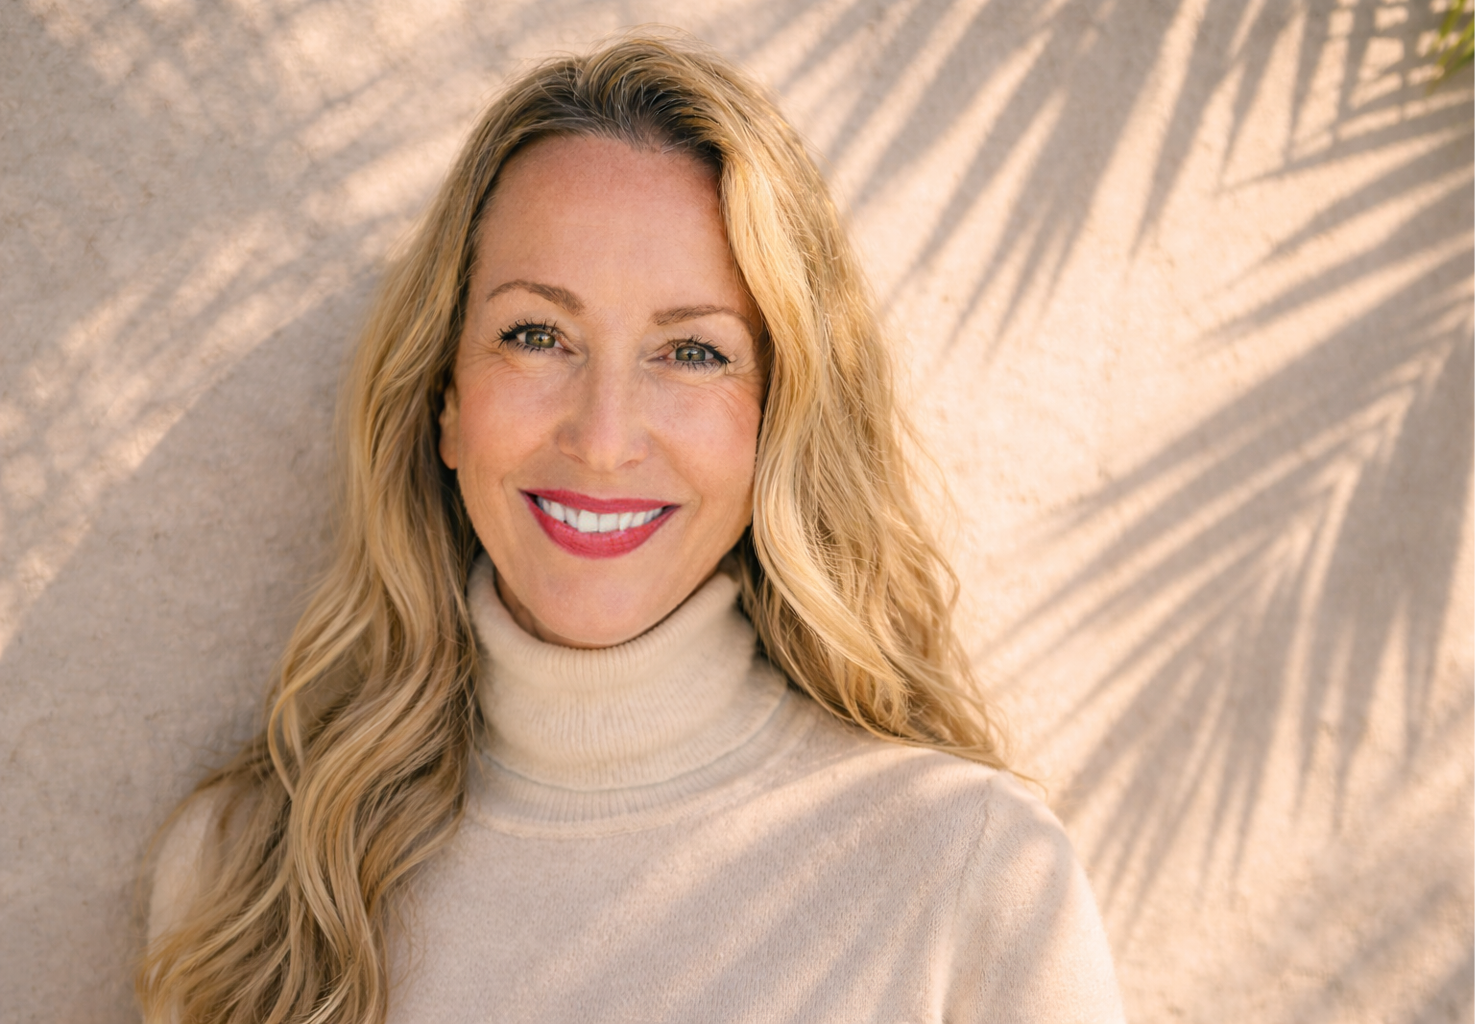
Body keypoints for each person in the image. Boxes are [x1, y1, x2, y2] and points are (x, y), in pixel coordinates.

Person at [138, 33, 1125, 1024]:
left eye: (692, 351)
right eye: (536, 336)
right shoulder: (248, 876)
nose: (602, 439)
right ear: (443, 398)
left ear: (780, 418)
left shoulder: (968, 871)